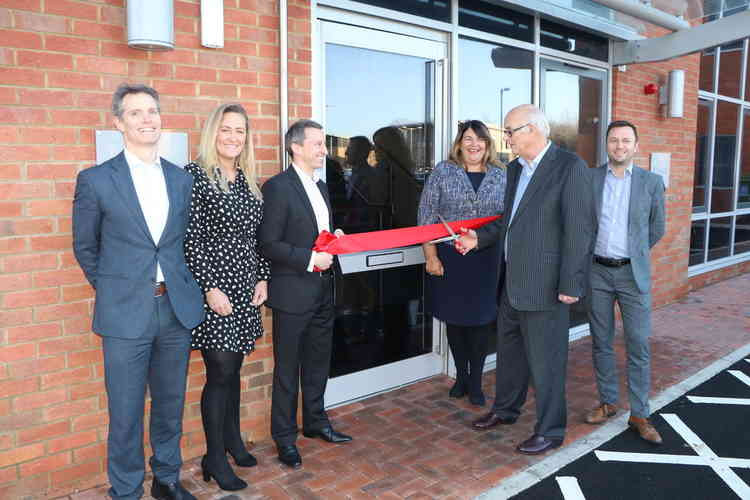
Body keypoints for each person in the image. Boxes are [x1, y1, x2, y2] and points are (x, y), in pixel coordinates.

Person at [72, 83, 204, 500]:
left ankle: (166, 480)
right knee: (126, 412)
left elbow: (184, 243)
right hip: (125, 313)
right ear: (118, 123)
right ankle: (126, 491)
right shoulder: (95, 180)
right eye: (135, 113)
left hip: (174, 310)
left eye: (153, 111)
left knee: (169, 405)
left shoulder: (180, 180)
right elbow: (85, 246)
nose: (147, 119)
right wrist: (116, 288)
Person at [457, 104, 593, 455]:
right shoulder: (516, 169)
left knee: (546, 363)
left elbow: (580, 230)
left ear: (532, 130)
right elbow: (510, 222)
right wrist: (478, 239)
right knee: (511, 355)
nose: (505, 138)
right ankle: (505, 410)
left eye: (509, 131)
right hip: (512, 285)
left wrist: (571, 284)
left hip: (547, 286)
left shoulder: (569, 167)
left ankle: (550, 430)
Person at [183, 104, 269, 491]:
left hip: (245, 286)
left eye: (240, 131)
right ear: (212, 133)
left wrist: (262, 279)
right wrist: (209, 287)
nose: (234, 137)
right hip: (215, 290)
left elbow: (257, 237)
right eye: (226, 130)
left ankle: (232, 441)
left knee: (233, 370)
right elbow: (190, 239)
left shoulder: (247, 178)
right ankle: (214, 457)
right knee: (219, 374)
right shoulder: (196, 176)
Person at [258, 119, 353, 469]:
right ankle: (284, 438)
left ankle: (315, 422)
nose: (323, 150)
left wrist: (334, 237)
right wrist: (312, 258)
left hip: (323, 291)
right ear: (295, 147)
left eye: (323, 143)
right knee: (287, 370)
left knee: (317, 363)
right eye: (316, 143)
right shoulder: (278, 188)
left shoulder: (322, 186)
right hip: (292, 294)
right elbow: (269, 244)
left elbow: (316, 231)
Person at [583, 120, 666, 444]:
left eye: (626, 140)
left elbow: (656, 228)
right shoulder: (590, 179)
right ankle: (608, 403)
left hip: (633, 274)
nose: (619, 146)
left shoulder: (651, 182)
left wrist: (635, 252)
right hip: (597, 272)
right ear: (607, 144)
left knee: (639, 344)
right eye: (614, 140)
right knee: (600, 341)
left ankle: (640, 414)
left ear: (636, 145)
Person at [418, 120, 506, 406]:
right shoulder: (444, 171)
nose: (474, 144)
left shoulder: (501, 174)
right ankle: (462, 377)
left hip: (486, 259)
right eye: (468, 138)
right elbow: (426, 216)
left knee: (480, 321)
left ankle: (477, 380)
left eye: (479, 139)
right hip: (450, 258)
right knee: (455, 318)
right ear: (459, 143)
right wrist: (430, 256)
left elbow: (507, 219)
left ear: (488, 144)